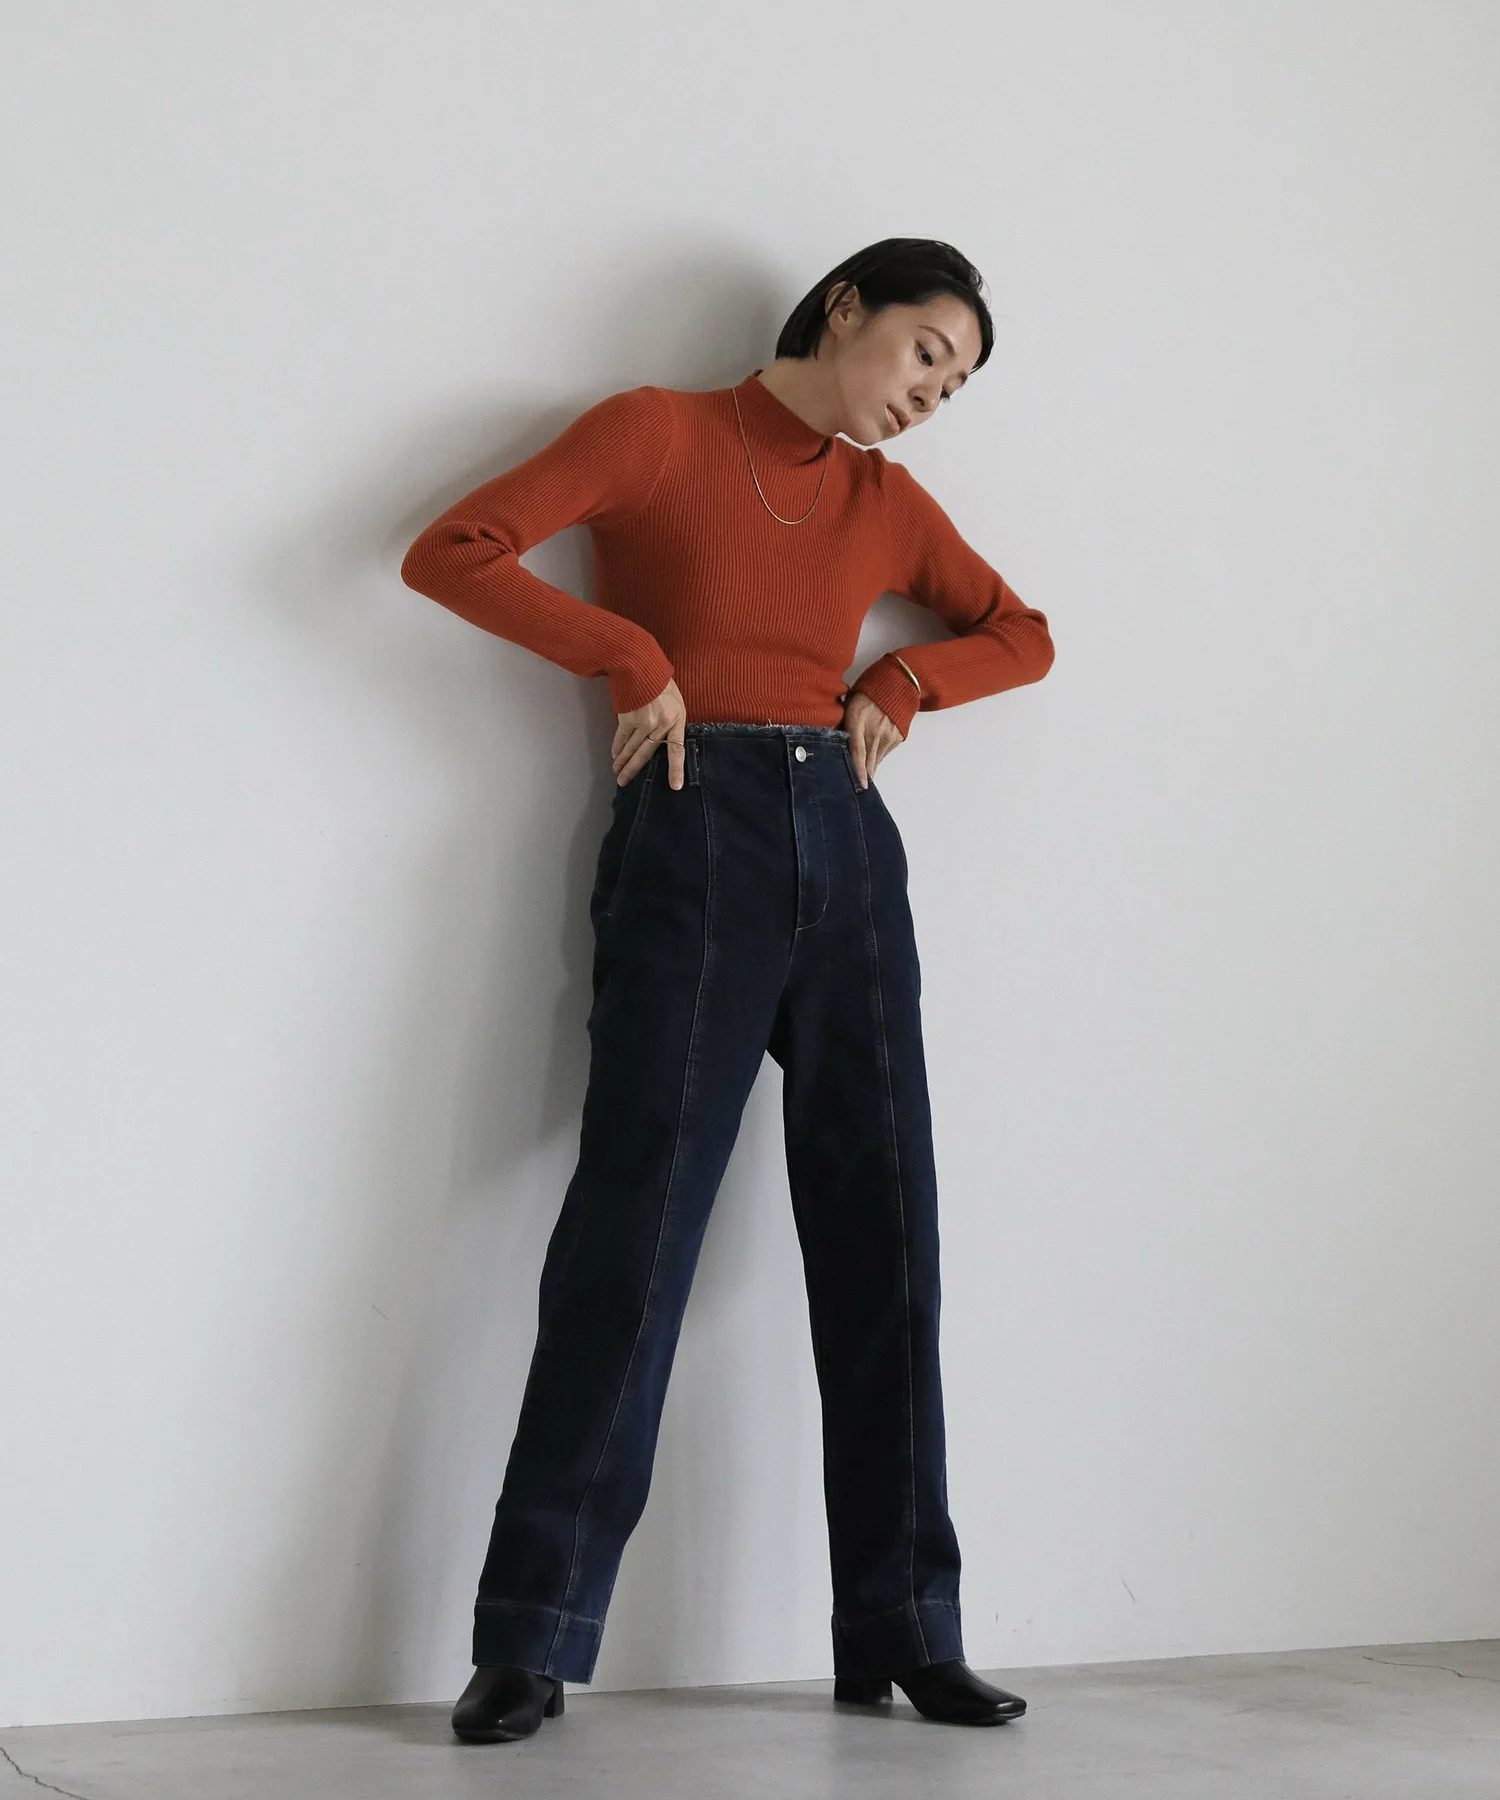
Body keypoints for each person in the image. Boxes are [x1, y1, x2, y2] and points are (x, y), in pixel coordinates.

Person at [399, 237, 1056, 1743]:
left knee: (888, 1235)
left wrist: (904, 682)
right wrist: (627, 652)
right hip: (697, 832)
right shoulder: (656, 431)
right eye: (925, 353)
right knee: (635, 1231)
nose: (930, 395)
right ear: (846, 308)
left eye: (954, 385)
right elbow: (456, 550)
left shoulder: (885, 502)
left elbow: (1021, 633)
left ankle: (905, 1627)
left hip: (849, 842)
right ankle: (534, 1637)